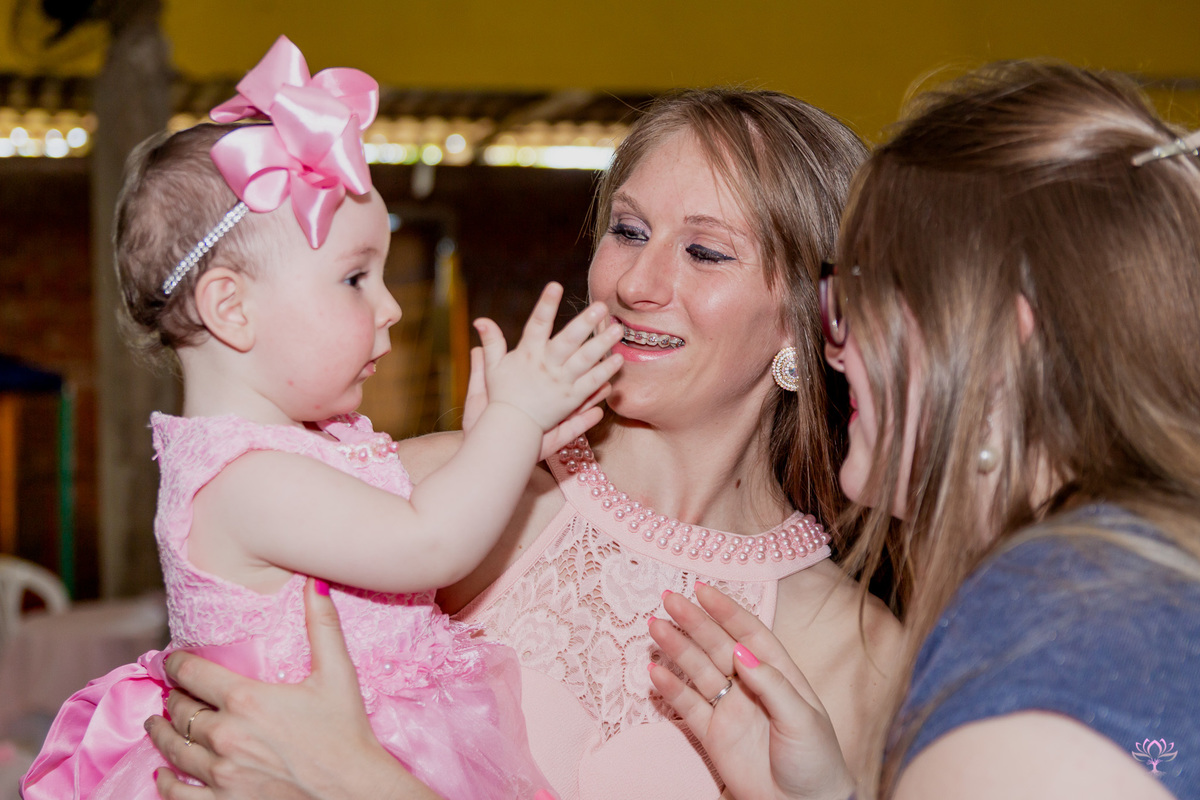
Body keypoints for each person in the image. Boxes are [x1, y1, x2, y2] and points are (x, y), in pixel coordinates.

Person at [144, 88, 905, 799]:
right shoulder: (416, 493)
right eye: (629, 232)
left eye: (705, 252)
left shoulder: (863, 656)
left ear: (807, 320)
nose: (636, 283)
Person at [22, 36, 623, 800]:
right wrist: (514, 418)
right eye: (354, 278)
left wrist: (493, 441)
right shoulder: (246, 482)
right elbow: (430, 540)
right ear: (232, 308)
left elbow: (402, 488)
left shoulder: (297, 450)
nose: (391, 306)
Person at [647, 61, 1200, 799]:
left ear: (998, 350)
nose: (835, 347)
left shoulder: (1045, 655)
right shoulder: (1127, 584)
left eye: (863, 297)